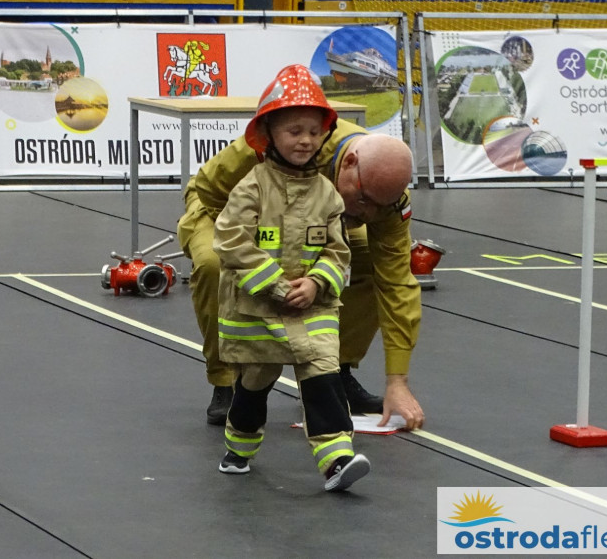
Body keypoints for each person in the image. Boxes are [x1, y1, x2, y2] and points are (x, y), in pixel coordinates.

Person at [178, 66, 425, 430]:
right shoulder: (270, 144)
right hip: (229, 210)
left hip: (309, 221)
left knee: (368, 258)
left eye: (379, 207)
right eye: (364, 200)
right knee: (216, 265)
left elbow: (398, 284)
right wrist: (256, 253)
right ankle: (227, 380)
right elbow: (209, 194)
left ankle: (333, 370)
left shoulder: (384, 195)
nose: (368, 213)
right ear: (350, 163)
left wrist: (397, 381)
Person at [213, 64, 370, 491]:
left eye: (314, 132)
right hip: (257, 309)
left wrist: (318, 283)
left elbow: (339, 250)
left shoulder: (328, 194)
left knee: (323, 372)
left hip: (312, 310)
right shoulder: (252, 187)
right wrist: (279, 286)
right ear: (269, 135)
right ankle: (239, 446)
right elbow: (230, 241)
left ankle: (337, 459)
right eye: (294, 131)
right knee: (256, 381)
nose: (305, 140)